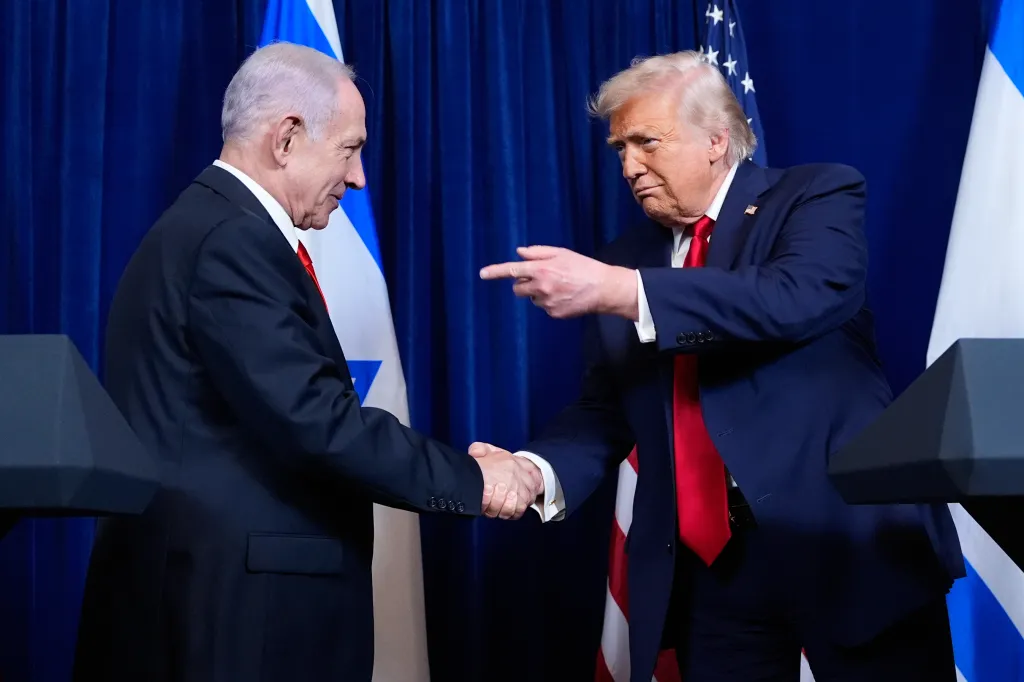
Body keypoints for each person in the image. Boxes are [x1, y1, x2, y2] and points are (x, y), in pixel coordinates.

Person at [478, 51, 964, 682]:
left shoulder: (814, 196)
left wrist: (626, 292)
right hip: (713, 569)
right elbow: (608, 409)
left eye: (647, 142)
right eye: (619, 148)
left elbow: (793, 298)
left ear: (715, 139)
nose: (629, 166)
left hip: (847, 543)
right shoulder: (627, 258)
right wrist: (532, 470)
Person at [72, 42, 541, 682]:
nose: (358, 178)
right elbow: (319, 423)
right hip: (229, 620)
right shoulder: (231, 240)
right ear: (286, 138)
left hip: (221, 604)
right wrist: (477, 480)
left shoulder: (213, 226)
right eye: (349, 150)